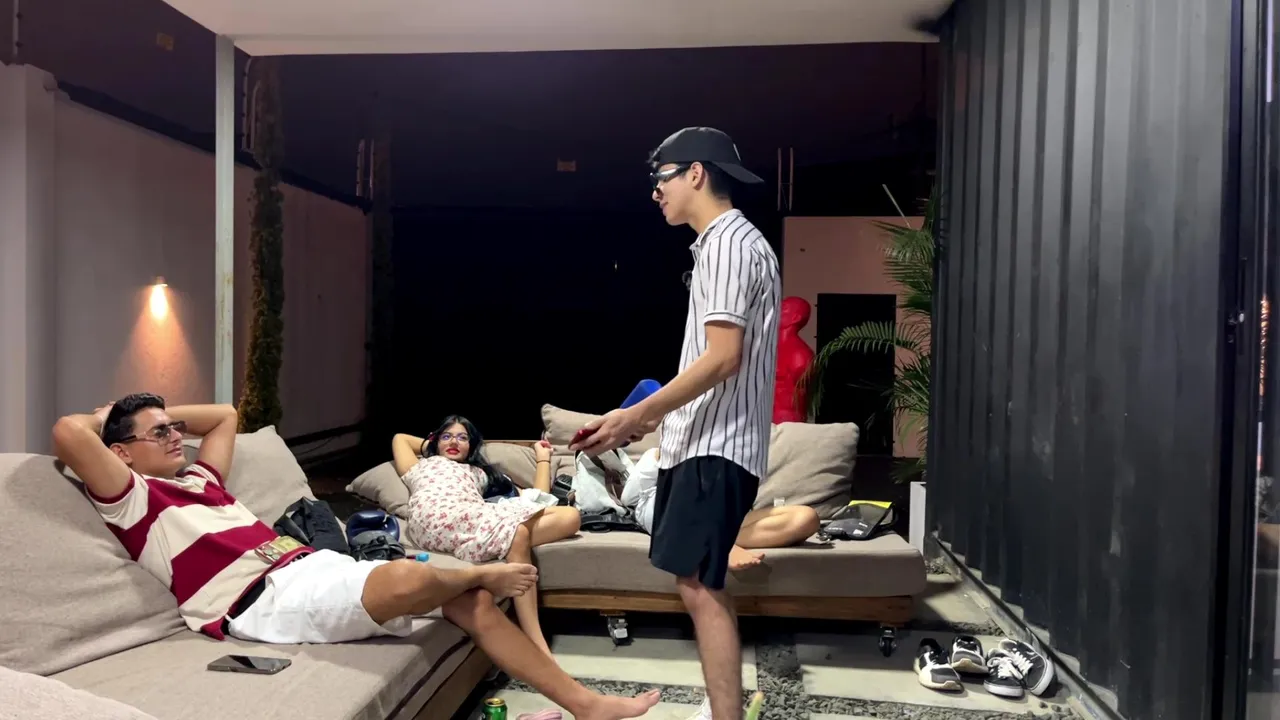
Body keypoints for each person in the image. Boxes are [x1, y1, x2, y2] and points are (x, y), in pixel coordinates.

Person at [52, 394, 658, 720]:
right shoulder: (134, 498)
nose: (174, 437)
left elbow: (226, 417)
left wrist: (157, 418)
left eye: (172, 429)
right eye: (159, 433)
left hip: (304, 567)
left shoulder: (199, 479)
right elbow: (68, 434)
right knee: (413, 576)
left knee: (472, 603)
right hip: (257, 602)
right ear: (120, 453)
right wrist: (109, 417)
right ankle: (475, 571)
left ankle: (585, 706)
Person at [572, 127, 780, 720]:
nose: (655, 192)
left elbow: (723, 358)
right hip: (709, 443)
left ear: (695, 173)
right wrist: (651, 421)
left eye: (660, 178)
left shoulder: (728, 245)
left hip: (717, 447)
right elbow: (716, 363)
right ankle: (723, 711)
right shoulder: (732, 243)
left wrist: (638, 414)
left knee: (700, 588)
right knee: (700, 584)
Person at [392, 415, 581, 658]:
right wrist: (433, 445)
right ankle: (537, 644)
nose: (454, 442)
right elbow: (400, 438)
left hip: (474, 513)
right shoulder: (421, 466)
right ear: (435, 441)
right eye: (447, 436)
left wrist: (542, 457)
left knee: (570, 517)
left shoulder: (481, 474)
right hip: (435, 517)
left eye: (462, 438)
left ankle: (497, 542)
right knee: (518, 533)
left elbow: (537, 498)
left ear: (471, 446)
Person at [621, 449, 821, 570]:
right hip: (670, 511)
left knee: (806, 518)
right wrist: (663, 455)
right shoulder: (660, 453)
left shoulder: (731, 449)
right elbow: (629, 498)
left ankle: (717, 543)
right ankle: (716, 543)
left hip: (723, 516)